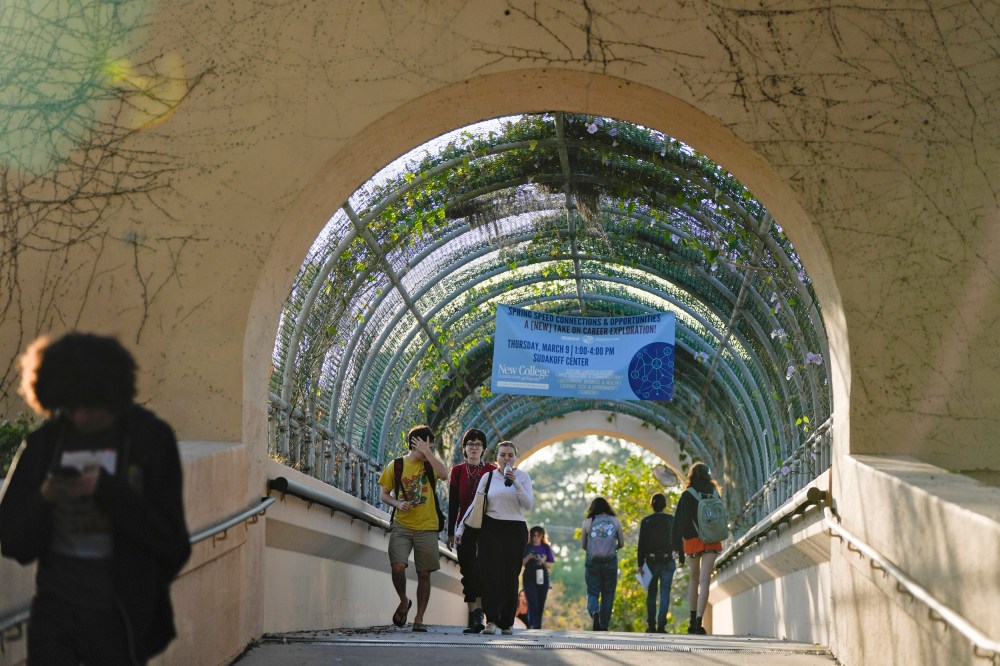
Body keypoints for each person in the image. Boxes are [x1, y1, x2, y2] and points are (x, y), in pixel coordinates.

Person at [0, 332, 191, 665]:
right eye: (71, 407)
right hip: (55, 611)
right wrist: (45, 498)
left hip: (120, 617)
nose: (81, 417)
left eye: (92, 407)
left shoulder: (149, 440)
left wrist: (108, 492)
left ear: (114, 397)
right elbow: (12, 540)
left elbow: (173, 543)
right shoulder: (44, 444)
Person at [455, 440, 532, 635]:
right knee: (490, 574)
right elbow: (476, 503)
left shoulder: (523, 477)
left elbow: (528, 504)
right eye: (502, 455)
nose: (506, 458)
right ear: (496, 458)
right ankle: (491, 620)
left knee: (510, 576)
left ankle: (507, 622)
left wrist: (514, 481)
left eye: (510, 455)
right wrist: (461, 527)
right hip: (491, 528)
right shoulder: (488, 477)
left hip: (515, 529)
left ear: (515, 458)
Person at [378, 424, 449, 632]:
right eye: (425, 445)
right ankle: (403, 601)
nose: (429, 450)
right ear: (413, 444)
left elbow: (444, 475)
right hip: (402, 524)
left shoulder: (431, 465)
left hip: (427, 526)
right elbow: (384, 494)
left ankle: (419, 617)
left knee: (424, 572)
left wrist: (428, 453)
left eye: (431, 446)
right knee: (397, 566)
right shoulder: (397, 465)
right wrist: (398, 504)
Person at [446, 427, 496, 633]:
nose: (474, 448)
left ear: (484, 449)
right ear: (464, 449)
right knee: (468, 569)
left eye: (478, 444)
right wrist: (450, 532)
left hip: (487, 528)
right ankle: (473, 615)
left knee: (484, 569)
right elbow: (453, 503)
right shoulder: (457, 471)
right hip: (464, 528)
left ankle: (481, 615)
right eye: (470, 444)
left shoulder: (492, 471)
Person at [671, 462, 723, 635]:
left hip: (692, 540)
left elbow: (678, 523)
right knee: (705, 580)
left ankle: (692, 621)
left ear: (691, 476)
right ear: (707, 476)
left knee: (694, 579)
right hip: (712, 540)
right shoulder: (715, 493)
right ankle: (699, 622)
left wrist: (676, 548)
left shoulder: (688, 495)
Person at [581, 497, 624, 631]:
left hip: (593, 562)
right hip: (610, 562)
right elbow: (621, 543)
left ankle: (594, 612)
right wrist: (611, 550)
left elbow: (583, 545)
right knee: (608, 593)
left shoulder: (588, 522)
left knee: (593, 591)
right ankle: (604, 624)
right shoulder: (615, 521)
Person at [637, 492, 678, 633]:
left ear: (652, 505)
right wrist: (680, 555)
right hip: (667, 561)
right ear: (664, 505)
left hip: (650, 561)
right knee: (665, 593)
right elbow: (677, 540)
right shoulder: (671, 520)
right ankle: (661, 625)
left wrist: (640, 563)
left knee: (651, 593)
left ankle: (651, 625)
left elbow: (641, 544)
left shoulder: (646, 521)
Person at [521, 525, 555, 629]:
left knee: (540, 602)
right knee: (532, 601)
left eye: (538, 535)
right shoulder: (527, 547)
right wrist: (529, 557)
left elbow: (550, 565)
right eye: (534, 535)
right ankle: (532, 624)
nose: (536, 537)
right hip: (529, 576)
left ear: (542, 536)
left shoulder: (546, 547)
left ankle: (537, 626)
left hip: (542, 575)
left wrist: (543, 561)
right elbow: (521, 563)